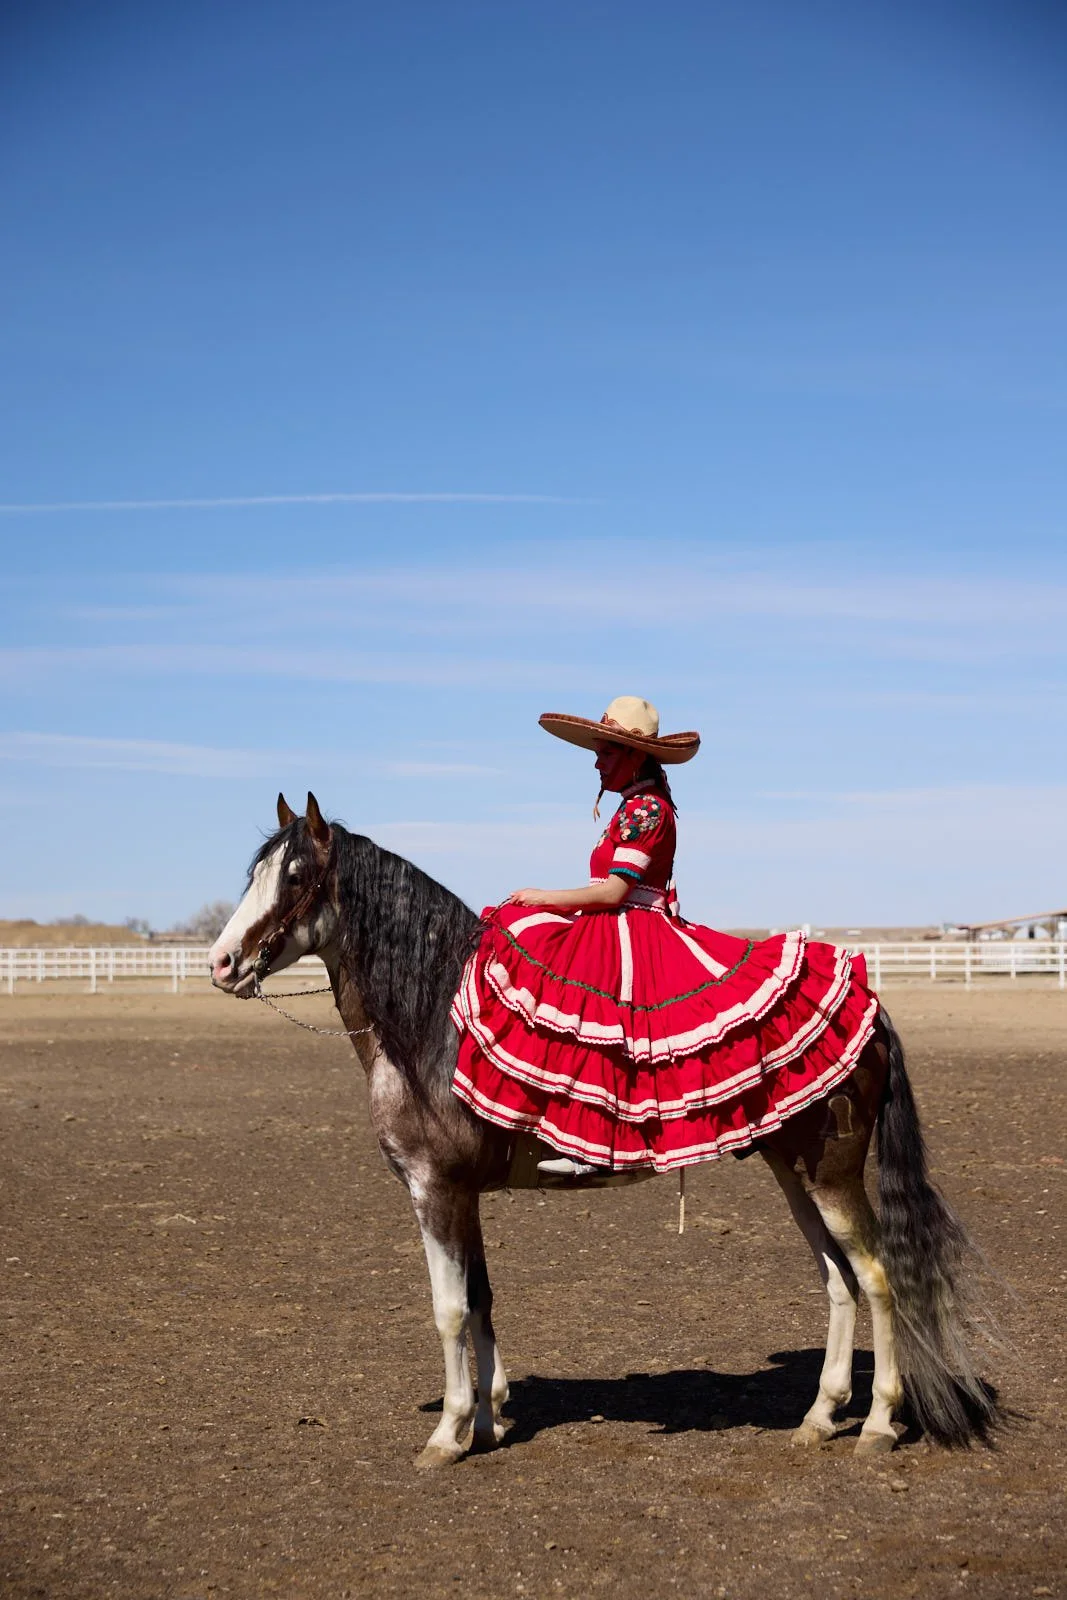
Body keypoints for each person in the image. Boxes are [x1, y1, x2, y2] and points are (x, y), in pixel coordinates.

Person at [450, 696, 877, 1183]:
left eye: (606, 752)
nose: (596, 761)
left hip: (633, 928)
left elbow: (613, 892)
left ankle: (596, 1143)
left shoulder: (646, 810)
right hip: (617, 923)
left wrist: (542, 896)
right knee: (571, 1006)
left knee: (599, 1020)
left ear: (633, 755)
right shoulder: (636, 806)